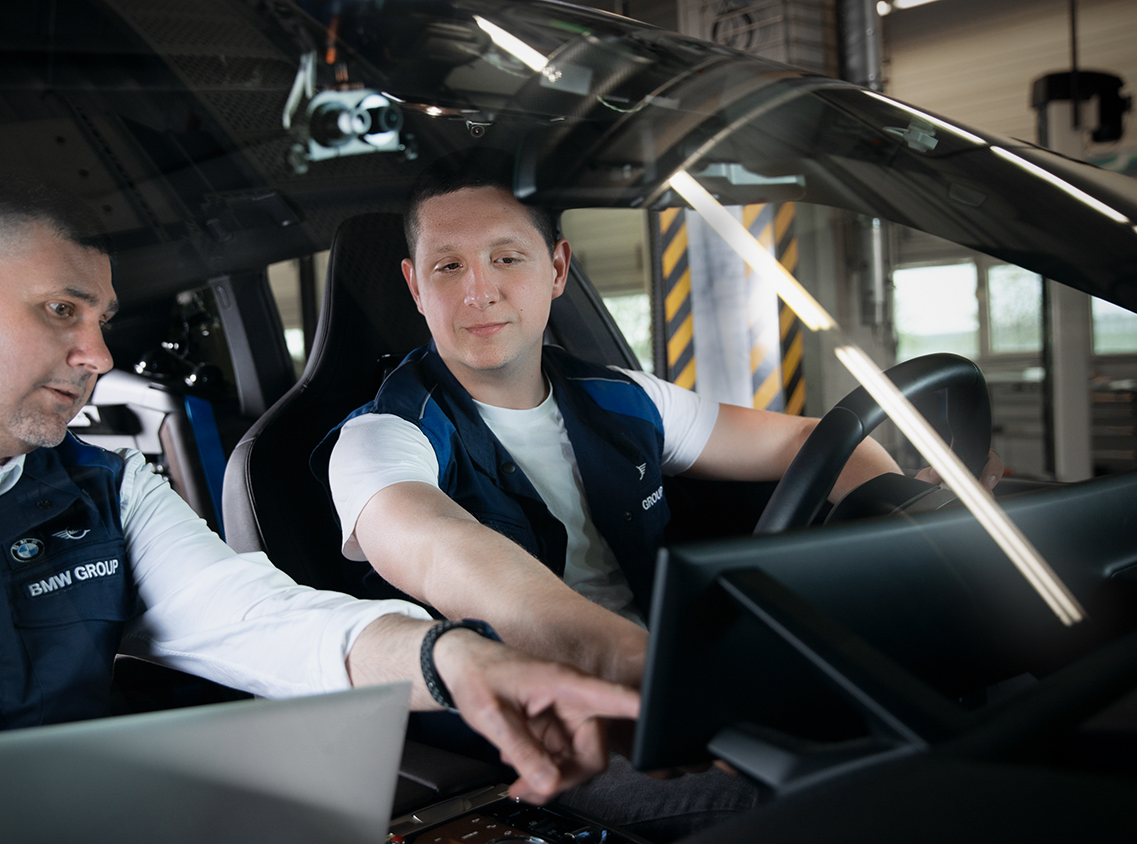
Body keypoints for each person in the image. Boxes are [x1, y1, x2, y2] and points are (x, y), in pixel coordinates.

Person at [0, 172, 637, 844]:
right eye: (60, 310)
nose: (96, 352)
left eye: (101, 318)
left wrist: (458, 663)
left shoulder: (105, 489)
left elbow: (262, 619)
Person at [318, 153, 1004, 834]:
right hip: (542, 728)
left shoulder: (623, 399)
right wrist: (643, 669)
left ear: (556, 269)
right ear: (415, 285)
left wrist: (901, 500)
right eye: (448, 267)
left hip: (676, 676)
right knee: (835, 803)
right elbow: (436, 548)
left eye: (506, 258)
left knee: (971, 702)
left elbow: (811, 443)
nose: (479, 291)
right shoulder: (381, 437)